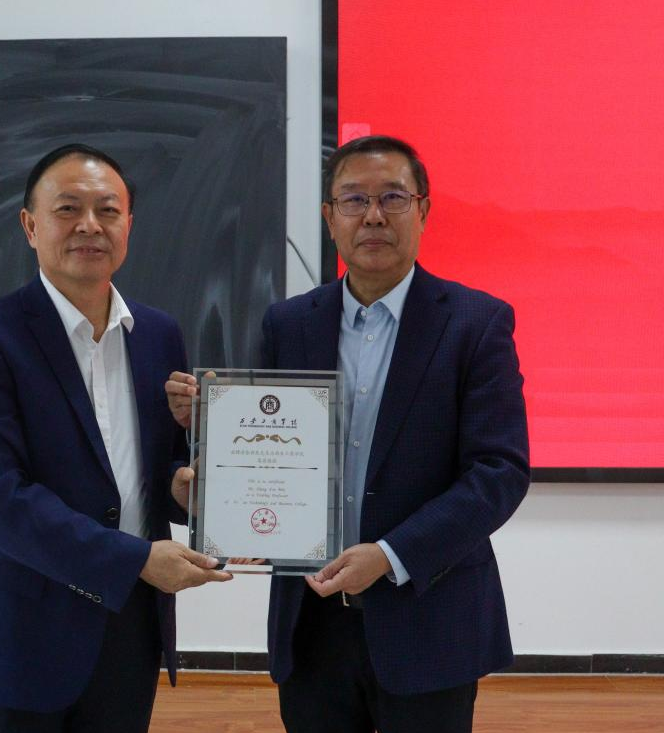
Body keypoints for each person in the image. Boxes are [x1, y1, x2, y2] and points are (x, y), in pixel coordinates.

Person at [167, 134, 529, 733]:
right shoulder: (289, 323)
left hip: (428, 615)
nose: (374, 216)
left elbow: (499, 473)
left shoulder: (476, 322)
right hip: (311, 626)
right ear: (330, 217)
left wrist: (389, 556)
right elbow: (268, 453)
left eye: (393, 198)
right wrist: (208, 442)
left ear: (423, 210)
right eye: (355, 200)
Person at [0, 143, 231, 733]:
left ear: (129, 225)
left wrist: (184, 487)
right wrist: (135, 559)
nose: (90, 225)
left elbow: (154, 469)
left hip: (131, 628)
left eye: (107, 210)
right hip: (21, 632)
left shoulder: (158, 334)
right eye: (68, 208)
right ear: (30, 226)